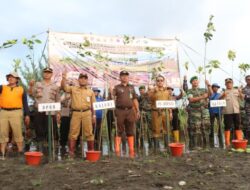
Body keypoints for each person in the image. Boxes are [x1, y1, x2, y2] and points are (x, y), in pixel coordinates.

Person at [61, 72, 96, 158]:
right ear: (78, 80)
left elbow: (93, 105)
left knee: (89, 133)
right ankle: (71, 152)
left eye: (85, 78)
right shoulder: (73, 88)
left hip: (87, 113)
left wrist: (94, 115)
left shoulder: (90, 91)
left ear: (87, 80)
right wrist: (64, 78)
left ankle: (91, 152)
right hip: (76, 113)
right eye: (81, 78)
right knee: (73, 132)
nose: (83, 80)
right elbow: (64, 88)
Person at [28, 67, 61, 153]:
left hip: (51, 112)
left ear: (51, 74)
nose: (47, 74)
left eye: (49, 72)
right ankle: (40, 149)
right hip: (39, 111)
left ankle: (52, 150)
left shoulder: (55, 86)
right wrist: (31, 86)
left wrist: (58, 113)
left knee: (51, 130)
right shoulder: (37, 84)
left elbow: (58, 100)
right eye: (45, 72)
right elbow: (31, 94)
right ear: (43, 74)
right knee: (39, 130)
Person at [0, 72, 30, 160]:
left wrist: (27, 114)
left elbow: (25, 103)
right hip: (3, 112)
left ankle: (20, 152)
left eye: (13, 77)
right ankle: (2, 154)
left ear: (17, 79)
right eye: (9, 77)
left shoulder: (21, 89)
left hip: (17, 112)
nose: (11, 78)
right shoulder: (2, 87)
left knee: (18, 132)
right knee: (2, 133)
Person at [112, 70, 140, 158]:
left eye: (126, 76)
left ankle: (131, 150)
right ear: (120, 77)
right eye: (123, 76)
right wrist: (110, 92)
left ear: (128, 77)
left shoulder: (131, 87)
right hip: (120, 111)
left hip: (130, 111)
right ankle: (117, 150)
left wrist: (137, 110)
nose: (124, 77)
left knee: (130, 130)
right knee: (119, 130)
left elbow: (135, 99)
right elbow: (112, 98)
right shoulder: (116, 87)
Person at [148, 75, 172, 151]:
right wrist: (152, 90)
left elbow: (169, 102)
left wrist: (170, 112)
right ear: (156, 82)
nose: (160, 82)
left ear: (163, 81)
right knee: (156, 129)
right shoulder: (152, 91)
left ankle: (167, 146)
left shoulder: (167, 91)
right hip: (156, 112)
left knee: (167, 129)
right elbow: (149, 99)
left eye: (161, 80)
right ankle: (156, 148)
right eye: (158, 80)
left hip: (166, 112)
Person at [186, 76, 210, 150]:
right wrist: (202, 97)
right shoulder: (189, 91)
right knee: (195, 128)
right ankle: (195, 145)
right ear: (191, 83)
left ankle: (206, 145)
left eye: (196, 80)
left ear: (198, 81)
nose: (195, 82)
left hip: (204, 111)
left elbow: (210, 94)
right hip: (194, 111)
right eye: (193, 81)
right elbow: (191, 100)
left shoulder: (203, 89)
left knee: (205, 127)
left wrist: (209, 85)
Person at [220, 78, 244, 148]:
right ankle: (227, 142)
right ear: (225, 84)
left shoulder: (237, 90)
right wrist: (223, 95)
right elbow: (219, 99)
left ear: (232, 83)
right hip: (227, 112)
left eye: (230, 83)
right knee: (227, 127)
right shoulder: (223, 91)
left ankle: (239, 140)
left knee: (238, 125)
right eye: (227, 83)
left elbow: (242, 98)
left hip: (236, 111)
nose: (229, 84)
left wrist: (240, 92)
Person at [207, 83, 223, 148]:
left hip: (219, 111)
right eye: (214, 87)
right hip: (212, 111)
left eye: (217, 87)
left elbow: (222, 102)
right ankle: (211, 135)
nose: (216, 88)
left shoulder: (220, 95)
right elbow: (209, 100)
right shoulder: (210, 94)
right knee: (212, 124)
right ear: (212, 88)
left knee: (220, 123)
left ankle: (220, 134)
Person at [242, 75, 250, 143]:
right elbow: (243, 97)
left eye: (249, 79)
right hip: (248, 109)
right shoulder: (244, 89)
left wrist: (246, 96)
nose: (249, 80)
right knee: (247, 124)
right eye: (247, 79)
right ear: (246, 80)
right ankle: (247, 139)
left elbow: (246, 97)